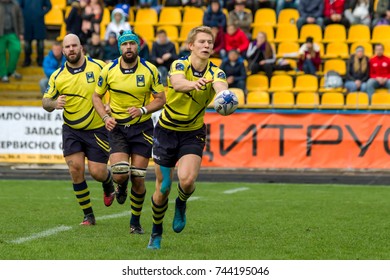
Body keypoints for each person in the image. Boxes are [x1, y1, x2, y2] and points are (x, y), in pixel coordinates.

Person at [146, 26, 229, 250]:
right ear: (191, 46)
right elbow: (177, 83)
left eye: (210, 42)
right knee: (163, 189)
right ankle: (156, 232)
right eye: (201, 42)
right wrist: (194, 84)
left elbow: (222, 86)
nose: (206, 46)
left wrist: (225, 96)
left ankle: (181, 203)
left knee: (187, 180)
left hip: (192, 132)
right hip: (166, 131)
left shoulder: (216, 72)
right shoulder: (179, 64)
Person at [92, 30, 166, 234]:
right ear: (120, 48)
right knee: (120, 173)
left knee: (139, 177)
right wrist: (105, 117)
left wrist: (143, 109)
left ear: (137, 47)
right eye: (125, 45)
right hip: (117, 127)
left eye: (132, 44)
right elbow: (96, 97)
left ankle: (135, 222)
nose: (129, 48)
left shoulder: (150, 70)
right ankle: (120, 186)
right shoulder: (109, 70)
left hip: (141, 127)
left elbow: (161, 98)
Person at [42, 34, 115, 226]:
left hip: (97, 129)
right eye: (68, 47)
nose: (71, 49)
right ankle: (88, 215)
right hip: (72, 129)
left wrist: (110, 105)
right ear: (63, 50)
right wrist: (54, 102)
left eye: (74, 45)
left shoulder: (99, 67)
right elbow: (45, 101)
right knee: (75, 169)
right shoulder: (58, 76)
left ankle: (108, 184)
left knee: (98, 172)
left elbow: (115, 87)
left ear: (81, 47)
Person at [18, 0, 51, 67]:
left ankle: (40, 61)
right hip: (27, 23)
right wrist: (24, 13)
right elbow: (18, 6)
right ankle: (27, 60)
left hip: (39, 23)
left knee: (40, 44)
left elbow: (49, 6)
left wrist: (41, 13)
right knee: (27, 44)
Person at [0, 0, 24, 83]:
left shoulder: (15, 4)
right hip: (1, 34)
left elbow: (20, 18)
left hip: (13, 33)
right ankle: (3, 74)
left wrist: (21, 32)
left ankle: (11, 70)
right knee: (1, 54)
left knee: (16, 50)